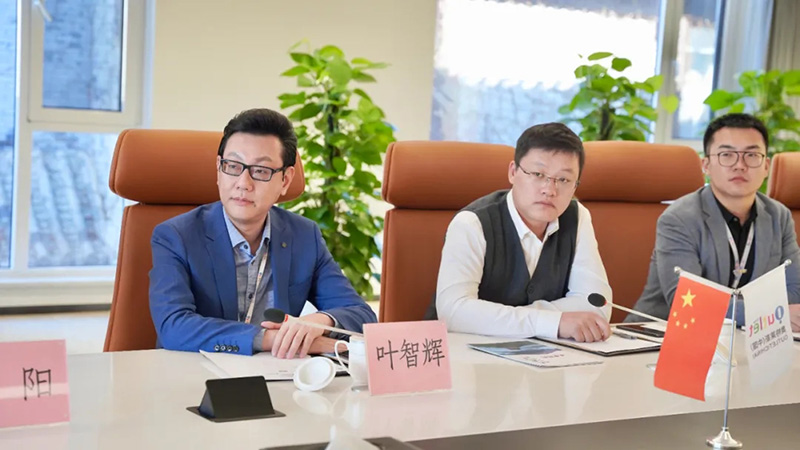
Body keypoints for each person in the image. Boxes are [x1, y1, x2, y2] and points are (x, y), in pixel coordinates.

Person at [149, 108, 376, 358]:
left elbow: (361, 315)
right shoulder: (175, 236)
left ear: (285, 180)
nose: (243, 183)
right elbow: (174, 327)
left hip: (275, 373)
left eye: (261, 170)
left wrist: (320, 322)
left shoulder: (304, 236)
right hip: (194, 371)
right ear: (219, 169)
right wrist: (270, 339)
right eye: (233, 166)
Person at [431, 122, 613, 342]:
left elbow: (597, 304)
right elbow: (454, 312)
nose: (550, 190)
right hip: (466, 355)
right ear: (513, 172)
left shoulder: (577, 217)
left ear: (575, 186)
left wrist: (504, 319)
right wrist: (554, 322)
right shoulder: (471, 223)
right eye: (538, 174)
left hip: (547, 356)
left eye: (564, 179)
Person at [629, 113, 800, 330]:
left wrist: (753, 315)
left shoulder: (778, 216)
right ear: (706, 165)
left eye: (751, 155)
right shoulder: (679, 218)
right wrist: (768, 312)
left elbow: (794, 291)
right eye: (726, 155)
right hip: (661, 337)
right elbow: (688, 303)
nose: (740, 165)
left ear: (766, 166)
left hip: (747, 339)